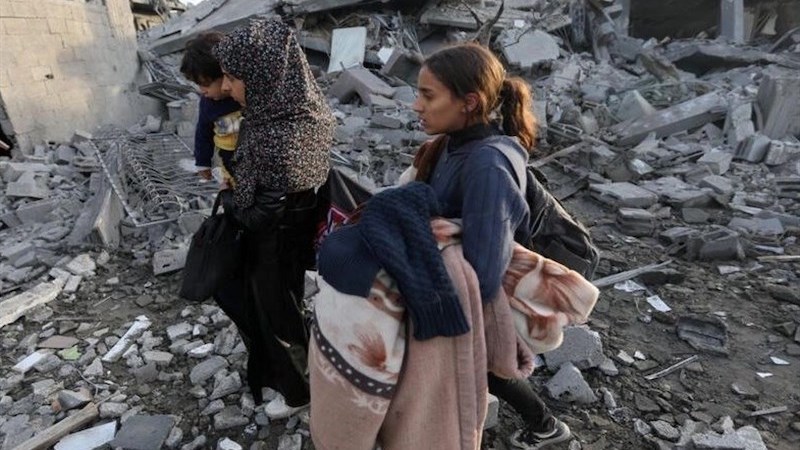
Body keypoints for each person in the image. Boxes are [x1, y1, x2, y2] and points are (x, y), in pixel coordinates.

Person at [409, 42, 571, 450]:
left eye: (428, 95)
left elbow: (484, 268)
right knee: (487, 368)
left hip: (478, 292)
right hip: (454, 284)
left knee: (489, 367)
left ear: (470, 102)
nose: (416, 106)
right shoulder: (451, 143)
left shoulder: (488, 163)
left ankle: (547, 427)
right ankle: (544, 425)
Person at [211, 18, 335, 419]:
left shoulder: (275, 134)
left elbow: (262, 213)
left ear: (263, 74)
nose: (226, 87)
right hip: (296, 232)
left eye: (233, 77)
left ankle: (299, 391)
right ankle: (303, 371)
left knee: (277, 312)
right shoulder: (302, 110)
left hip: (275, 241)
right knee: (290, 306)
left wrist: (229, 197)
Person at [180, 31, 241, 182]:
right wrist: (203, 163)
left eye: (206, 84)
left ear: (226, 74)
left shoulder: (245, 96)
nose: (202, 91)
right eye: (199, 85)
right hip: (228, 162)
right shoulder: (208, 104)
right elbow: (203, 133)